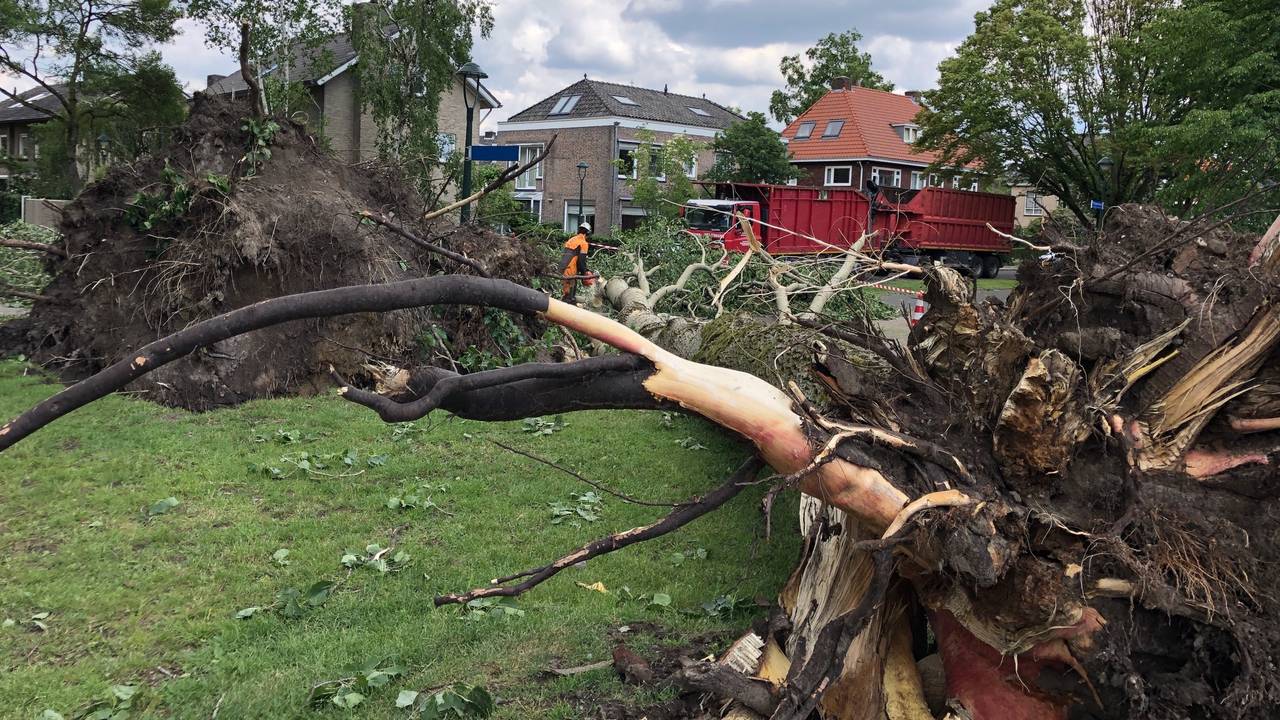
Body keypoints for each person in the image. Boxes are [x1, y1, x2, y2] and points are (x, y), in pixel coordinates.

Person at [559, 222, 596, 303]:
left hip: (562, 269)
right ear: (588, 233)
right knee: (569, 298)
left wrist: (585, 269)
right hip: (570, 273)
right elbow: (581, 261)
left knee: (564, 294)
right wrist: (585, 274)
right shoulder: (583, 243)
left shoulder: (571, 239)